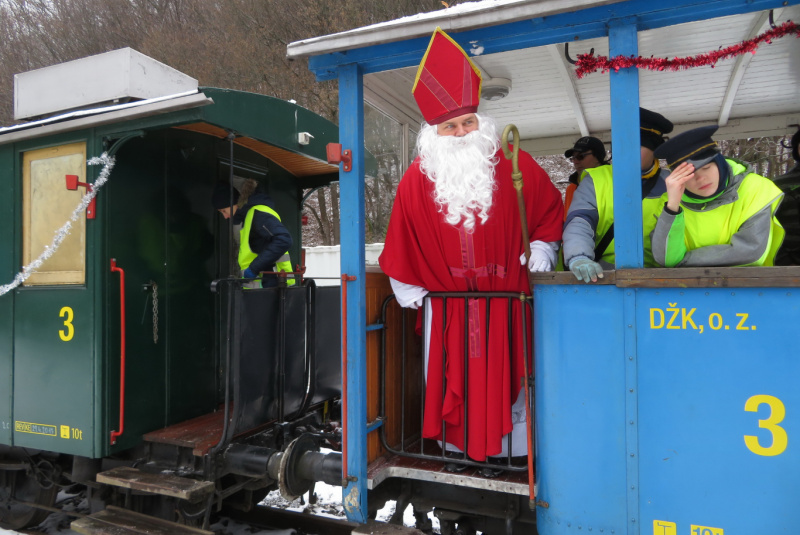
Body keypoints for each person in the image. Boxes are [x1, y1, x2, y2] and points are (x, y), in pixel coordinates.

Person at [378, 27, 564, 463]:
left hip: (507, 303)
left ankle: (513, 451)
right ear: (433, 131)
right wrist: (405, 284)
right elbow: (400, 236)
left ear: (481, 122)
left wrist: (542, 247)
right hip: (447, 309)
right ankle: (457, 447)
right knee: (450, 378)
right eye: (451, 125)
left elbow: (550, 211)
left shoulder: (516, 164)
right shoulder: (414, 180)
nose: (461, 131)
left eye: (467, 122)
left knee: (513, 376)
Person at [563, 108, 673, 282]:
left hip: (660, 279)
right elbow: (580, 220)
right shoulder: (596, 179)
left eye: (636, 145)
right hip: (605, 276)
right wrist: (579, 256)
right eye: (622, 144)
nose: (627, 151)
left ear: (655, 150)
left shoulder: (673, 183)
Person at [650, 125, 784, 267]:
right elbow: (666, 259)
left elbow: (750, 253)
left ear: (720, 163)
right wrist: (672, 209)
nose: (700, 178)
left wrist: (683, 261)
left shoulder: (756, 189)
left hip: (749, 286)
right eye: (688, 175)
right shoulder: (669, 202)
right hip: (689, 288)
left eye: (706, 168)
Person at [212, 181, 295, 288]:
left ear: (233, 203)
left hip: (272, 287)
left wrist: (253, 269)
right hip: (264, 288)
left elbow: (284, 240)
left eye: (224, 210)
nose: (225, 216)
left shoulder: (258, 214)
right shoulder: (248, 216)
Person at [563, 136, 609, 218]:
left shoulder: (614, 181)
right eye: (573, 158)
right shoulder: (571, 189)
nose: (575, 161)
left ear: (597, 157)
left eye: (581, 156)